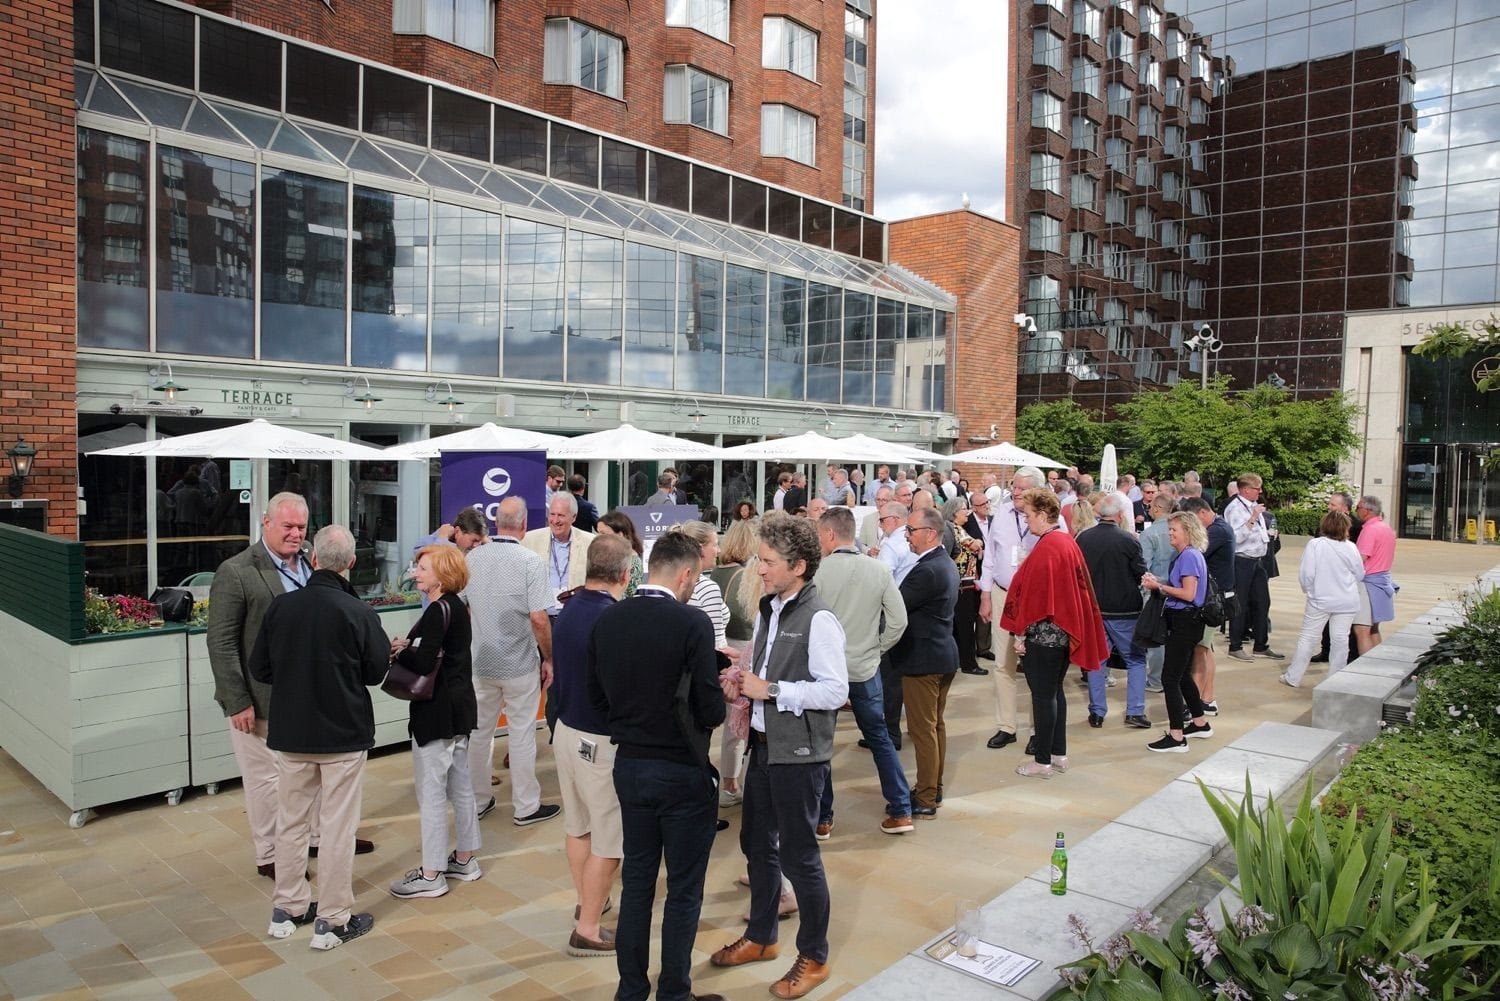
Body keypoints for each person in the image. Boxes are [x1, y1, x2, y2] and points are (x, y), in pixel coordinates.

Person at [587, 532, 727, 1001]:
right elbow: (710, 709)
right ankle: (673, 992)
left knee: (638, 884)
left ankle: (630, 990)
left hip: (630, 766)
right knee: (684, 890)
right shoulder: (692, 622)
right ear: (686, 574)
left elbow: (596, 697)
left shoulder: (609, 620)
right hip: (682, 770)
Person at [712, 515, 847, 1000]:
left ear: (799, 565)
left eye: (768, 563)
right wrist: (744, 672)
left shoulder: (820, 618)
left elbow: (835, 691)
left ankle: (814, 956)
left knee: (800, 856)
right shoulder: (772, 607)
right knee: (755, 843)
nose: (760, 570)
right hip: (765, 748)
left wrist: (770, 690)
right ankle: (762, 937)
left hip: (801, 755)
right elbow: (765, 670)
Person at [208, 492, 375, 880]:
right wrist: (237, 701)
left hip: (308, 699)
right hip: (260, 700)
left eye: (301, 527)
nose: (296, 534)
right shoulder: (237, 571)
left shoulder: (309, 566)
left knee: (309, 778)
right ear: (266, 523)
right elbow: (221, 641)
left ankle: (319, 839)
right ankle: (270, 855)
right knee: (265, 783)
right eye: (288, 526)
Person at [251, 525, 387, 950]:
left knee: (290, 824)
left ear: (313, 560)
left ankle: (287, 908)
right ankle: (332, 919)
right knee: (336, 828)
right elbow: (376, 672)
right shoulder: (358, 613)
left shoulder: (282, 608)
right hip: (342, 736)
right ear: (351, 563)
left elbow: (261, 668)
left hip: (291, 735)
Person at [551, 534, 634, 956]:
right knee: (609, 840)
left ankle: (589, 901)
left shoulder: (569, 608)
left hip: (566, 731)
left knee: (578, 826)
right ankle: (587, 929)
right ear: (625, 574)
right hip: (599, 740)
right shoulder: (612, 618)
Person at [387, 545, 481, 899]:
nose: (416, 573)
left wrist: (401, 650)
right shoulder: (458, 608)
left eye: (423, 568)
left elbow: (425, 662)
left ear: (441, 574)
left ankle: (430, 874)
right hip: (460, 708)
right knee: (460, 786)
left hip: (436, 711)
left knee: (431, 792)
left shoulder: (437, 610)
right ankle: (466, 858)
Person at [811, 507, 911, 836]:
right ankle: (901, 809)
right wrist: (877, 647)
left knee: (822, 745)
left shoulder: (817, 573)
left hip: (827, 670)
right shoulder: (878, 570)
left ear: (828, 535)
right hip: (866, 667)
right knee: (880, 739)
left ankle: (823, 819)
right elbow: (898, 621)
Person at [999, 489, 1109, 779]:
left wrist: (1021, 634)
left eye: (1029, 515)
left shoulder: (1049, 546)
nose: (1027, 521)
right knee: (1054, 694)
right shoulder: (1064, 541)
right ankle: (1058, 755)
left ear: (1043, 515)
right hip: (1061, 634)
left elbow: (1036, 597)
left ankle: (1042, 760)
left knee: (1043, 696)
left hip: (1045, 636)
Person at [465, 497, 561, 827]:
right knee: (520, 734)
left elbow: (463, 607)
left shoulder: (472, 558)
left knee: (479, 733)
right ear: (523, 526)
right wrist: (549, 657)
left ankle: (477, 800)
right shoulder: (530, 562)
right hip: (519, 663)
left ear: (496, 524)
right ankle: (525, 806)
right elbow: (538, 618)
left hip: (481, 661)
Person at [889, 507, 959, 813]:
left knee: (923, 730)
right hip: (940, 654)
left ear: (931, 533)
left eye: (911, 531)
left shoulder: (929, 569)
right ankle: (933, 787)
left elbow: (896, 606)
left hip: (924, 660)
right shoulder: (940, 563)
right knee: (934, 727)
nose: (907, 536)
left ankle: (927, 795)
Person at [977, 466, 1048, 751]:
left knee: (1033, 666)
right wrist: (984, 594)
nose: (1015, 492)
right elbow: (990, 555)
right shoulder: (1003, 514)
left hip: (1034, 600)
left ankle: (1037, 729)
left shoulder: (1048, 518)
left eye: (1021, 488)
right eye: (1014, 487)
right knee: (1002, 664)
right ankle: (1007, 726)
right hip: (1001, 594)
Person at [1075, 493, 1152, 729]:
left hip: (1094, 609)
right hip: (1124, 609)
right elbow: (1140, 572)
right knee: (1136, 660)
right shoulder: (1128, 540)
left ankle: (1097, 712)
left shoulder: (1083, 538)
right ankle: (1135, 710)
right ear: (1119, 515)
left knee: (1097, 662)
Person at [1140, 512, 1215, 753]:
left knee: (1169, 678)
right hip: (1184, 621)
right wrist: (1160, 582)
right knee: (1181, 675)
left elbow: (1189, 594)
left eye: (1174, 530)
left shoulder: (1189, 556)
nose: (1170, 533)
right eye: (1170, 529)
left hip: (1185, 621)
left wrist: (1158, 586)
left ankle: (1176, 736)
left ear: (1188, 531)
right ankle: (1200, 722)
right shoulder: (1187, 555)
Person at [1280, 511, 1363, 688]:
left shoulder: (1316, 545)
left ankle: (1293, 676)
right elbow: (1360, 573)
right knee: (1340, 639)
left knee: (1308, 638)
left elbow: (1306, 574)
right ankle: (1335, 679)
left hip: (1320, 599)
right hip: (1347, 600)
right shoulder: (1351, 547)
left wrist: (1309, 591)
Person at [712, 519, 762, 803]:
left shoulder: (713, 572)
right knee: (738, 721)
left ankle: (727, 781)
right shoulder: (747, 575)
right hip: (741, 646)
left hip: (720, 646)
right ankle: (730, 783)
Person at [1180, 497, 1235, 717]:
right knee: (1205, 649)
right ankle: (1206, 699)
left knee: (1200, 651)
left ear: (1202, 514)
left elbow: (1195, 551)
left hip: (1213, 602)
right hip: (1216, 599)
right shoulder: (1221, 527)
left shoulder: (1218, 531)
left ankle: (1196, 703)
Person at [1223, 473, 1282, 662]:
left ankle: (1261, 644)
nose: (1261, 491)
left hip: (1258, 560)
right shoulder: (1235, 508)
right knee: (1240, 604)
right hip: (1242, 560)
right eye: (1257, 488)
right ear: (1246, 489)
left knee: (1262, 602)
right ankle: (1235, 645)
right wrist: (1253, 518)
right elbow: (1236, 537)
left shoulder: (1253, 506)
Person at [943, 496, 987, 676]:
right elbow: (975, 544)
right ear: (954, 512)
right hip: (962, 585)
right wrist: (979, 544)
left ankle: (962, 660)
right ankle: (968, 662)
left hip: (964, 583)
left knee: (961, 625)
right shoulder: (955, 530)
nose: (967, 512)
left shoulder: (957, 529)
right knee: (965, 625)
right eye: (964, 509)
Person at [669, 521, 730, 648]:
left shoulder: (672, 582)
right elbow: (717, 644)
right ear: (700, 548)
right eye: (715, 545)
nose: (719, 551)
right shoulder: (707, 587)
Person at [1139, 494, 1176, 693]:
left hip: (1156, 590)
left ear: (1157, 508)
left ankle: (1155, 680)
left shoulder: (1150, 533)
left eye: (1152, 507)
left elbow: (1144, 565)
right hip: (1177, 589)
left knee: (1155, 637)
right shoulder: (1178, 530)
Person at [597, 510, 645, 598]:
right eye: (598, 533)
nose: (598, 538)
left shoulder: (633, 562)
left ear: (620, 534)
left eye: (603, 534)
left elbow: (630, 596)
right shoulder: (602, 558)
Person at [412, 506, 488, 558]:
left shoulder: (483, 548)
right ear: (458, 532)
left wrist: (488, 544)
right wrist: (442, 539)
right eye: (474, 540)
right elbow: (422, 559)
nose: (477, 546)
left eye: (480, 541)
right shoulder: (438, 540)